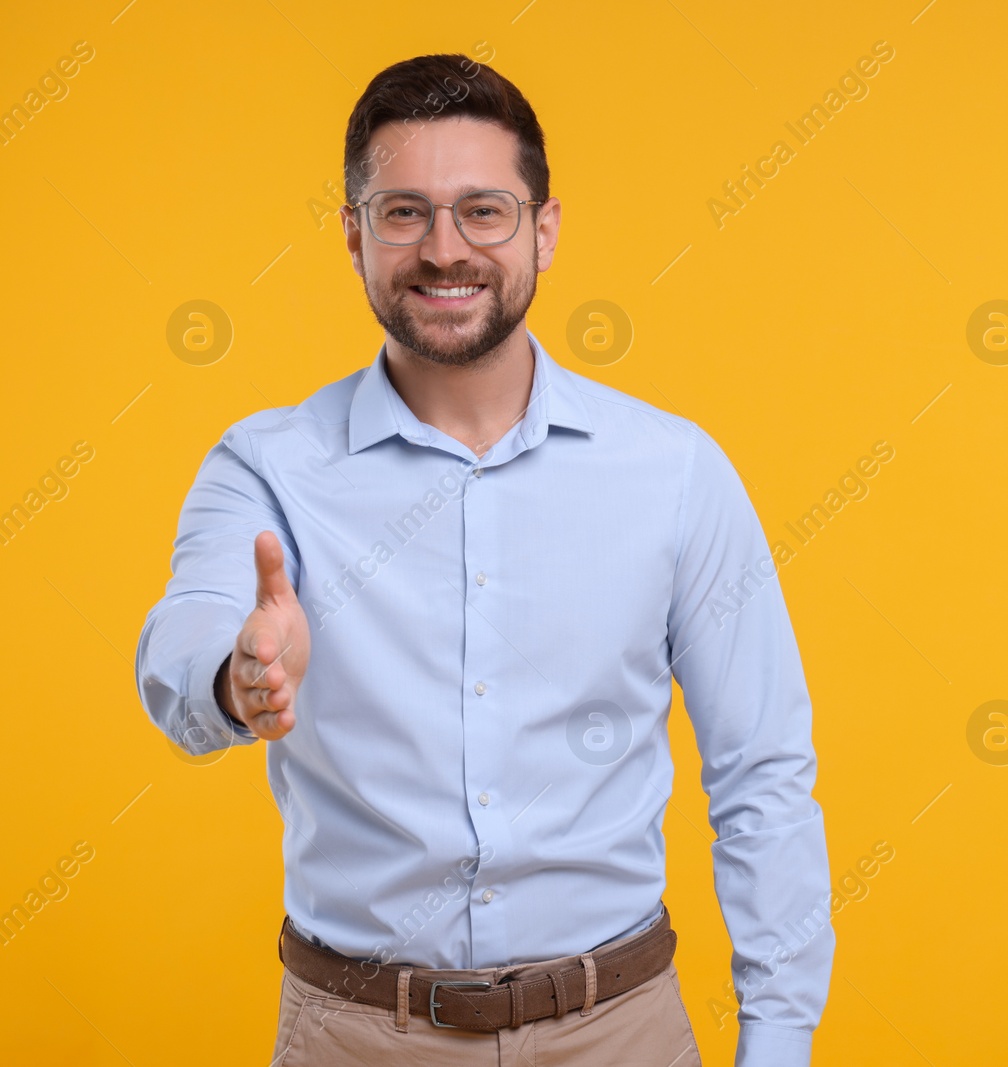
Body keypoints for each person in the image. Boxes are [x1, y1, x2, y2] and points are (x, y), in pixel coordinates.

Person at [134, 53, 833, 1066]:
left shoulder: (673, 470)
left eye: (484, 211)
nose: (444, 249)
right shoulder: (267, 465)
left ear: (543, 230)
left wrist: (777, 1042)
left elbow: (762, 771)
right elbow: (186, 633)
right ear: (353, 233)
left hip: (621, 1031)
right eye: (404, 211)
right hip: (354, 1035)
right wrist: (238, 678)